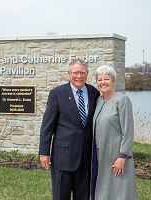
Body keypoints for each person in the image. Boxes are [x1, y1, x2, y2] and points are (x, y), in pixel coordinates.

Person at [39, 59, 100, 200]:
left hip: (85, 158)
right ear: (69, 73)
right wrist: (44, 152)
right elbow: (47, 126)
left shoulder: (94, 93)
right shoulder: (57, 94)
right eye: (75, 73)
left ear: (87, 74)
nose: (79, 76)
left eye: (82, 73)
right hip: (62, 157)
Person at [92, 65, 138, 200]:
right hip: (101, 155)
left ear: (113, 81)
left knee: (119, 191)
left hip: (116, 156)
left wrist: (122, 157)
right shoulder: (99, 101)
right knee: (103, 189)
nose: (102, 82)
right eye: (99, 80)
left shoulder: (122, 100)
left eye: (106, 79)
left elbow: (128, 131)